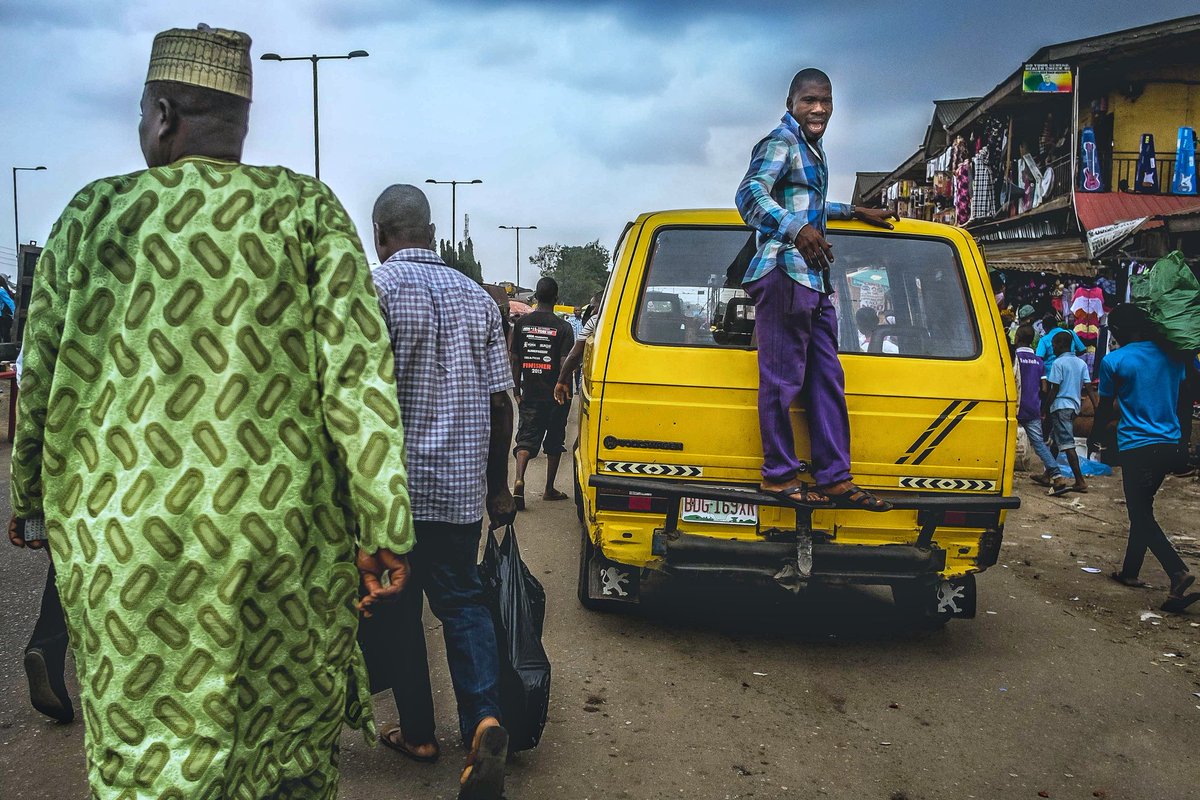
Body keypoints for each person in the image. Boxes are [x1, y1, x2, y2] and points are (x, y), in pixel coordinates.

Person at [8, 25, 415, 799]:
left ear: (162, 115)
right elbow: (359, 382)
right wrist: (384, 526)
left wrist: (30, 498)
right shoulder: (305, 213)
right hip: (279, 548)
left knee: (142, 755)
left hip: (126, 552)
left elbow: (40, 380)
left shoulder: (91, 219)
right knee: (285, 751)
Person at [362, 184, 514, 799]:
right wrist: (497, 487)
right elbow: (501, 403)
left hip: (392, 493)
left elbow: (358, 400)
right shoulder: (479, 299)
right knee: (464, 606)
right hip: (456, 493)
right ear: (432, 233)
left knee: (398, 613)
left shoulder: (375, 291)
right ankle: (483, 719)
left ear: (380, 235)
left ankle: (420, 735)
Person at [734, 67, 896, 510]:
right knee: (782, 382)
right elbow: (749, 195)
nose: (819, 108)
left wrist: (855, 210)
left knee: (827, 380)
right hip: (785, 273)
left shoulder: (812, 149)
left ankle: (834, 477)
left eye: (825, 100)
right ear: (791, 104)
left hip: (815, 281)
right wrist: (795, 229)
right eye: (809, 100)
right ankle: (779, 476)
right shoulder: (780, 142)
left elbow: (810, 202)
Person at [1091, 304, 1196, 610]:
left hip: (1136, 446)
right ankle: (1130, 572)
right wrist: (1184, 441)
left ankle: (1176, 572)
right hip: (1169, 445)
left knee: (1139, 513)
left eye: (1115, 330)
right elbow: (1184, 400)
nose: (1115, 336)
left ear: (1128, 330)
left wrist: (1097, 437)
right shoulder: (1173, 357)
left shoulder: (1114, 361)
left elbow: (1105, 406)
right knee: (1143, 508)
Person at [6, 349, 73, 724]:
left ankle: (48, 647)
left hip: (90, 452)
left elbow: (32, 375)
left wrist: (28, 498)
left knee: (77, 562)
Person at [511, 277, 574, 508]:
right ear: (556, 299)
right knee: (555, 441)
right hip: (557, 394)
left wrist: (517, 389)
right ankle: (548, 488)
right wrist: (563, 385)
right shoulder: (563, 327)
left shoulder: (521, 324)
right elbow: (565, 360)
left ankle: (519, 479)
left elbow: (515, 358)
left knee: (525, 440)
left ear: (536, 297)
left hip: (530, 392)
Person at [1044, 330, 1095, 495]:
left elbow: (1054, 388)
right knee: (1055, 440)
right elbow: (1088, 386)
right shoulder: (1081, 363)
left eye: (1054, 346)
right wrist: (1096, 406)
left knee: (1066, 444)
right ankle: (1048, 473)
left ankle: (1080, 480)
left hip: (1060, 406)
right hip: (1074, 406)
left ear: (1060, 345)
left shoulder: (1058, 363)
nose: (1053, 349)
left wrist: (1044, 407)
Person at [1013, 325, 1062, 489]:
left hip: (1015, 405)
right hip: (1033, 407)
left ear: (1017, 339)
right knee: (1039, 444)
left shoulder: (1014, 358)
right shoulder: (1038, 361)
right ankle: (1056, 474)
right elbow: (1044, 388)